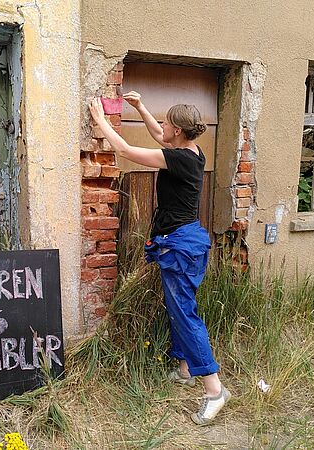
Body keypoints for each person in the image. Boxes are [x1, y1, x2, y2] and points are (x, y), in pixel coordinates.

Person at [89, 91, 230, 425]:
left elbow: (123, 150)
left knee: (185, 314)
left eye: (167, 122)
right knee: (180, 307)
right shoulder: (191, 152)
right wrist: (139, 107)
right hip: (186, 239)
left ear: (178, 132)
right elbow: (157, 134)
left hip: (181, 245)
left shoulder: (178, 159)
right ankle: (184, 369)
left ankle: (214, 389)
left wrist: (99, 121)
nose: (161, 126)